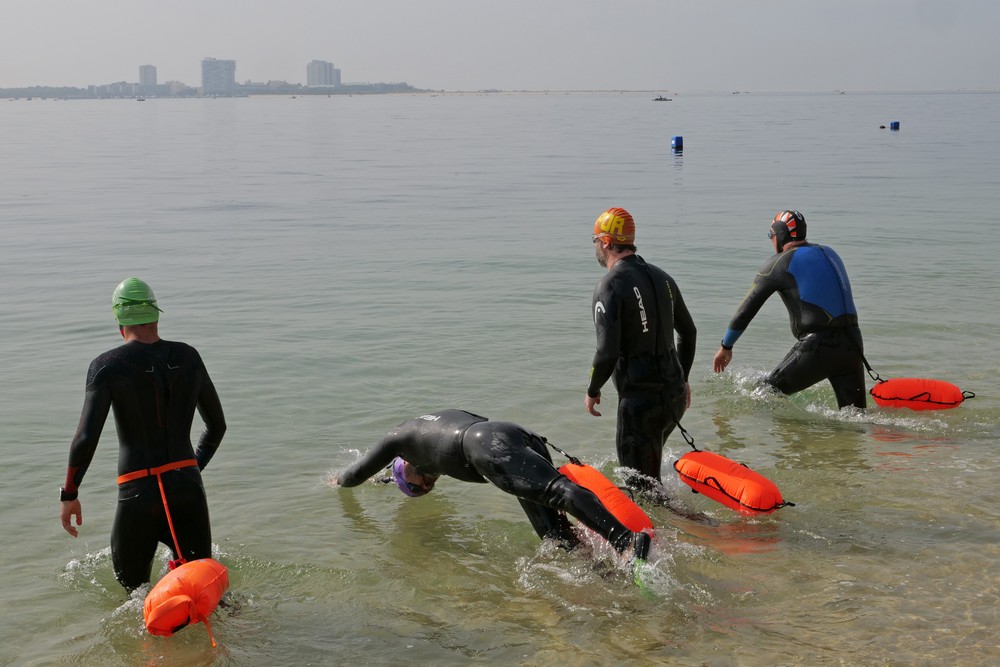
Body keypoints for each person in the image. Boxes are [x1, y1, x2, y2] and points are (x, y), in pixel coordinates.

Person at [59, 278, 227, 591]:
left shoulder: (107, 366)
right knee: (205, 589)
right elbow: (217, 427)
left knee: (135, 595)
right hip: (188, 490)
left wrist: (69, 494)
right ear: (156, 316)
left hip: (139, 496)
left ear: (119, 322)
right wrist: (190, 468)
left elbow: (86, 439)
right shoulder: (188, 357)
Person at [332, 409, 651, 560]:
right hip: (509, 434)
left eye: (415, 487)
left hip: (485, 446)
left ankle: (625, 541)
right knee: (554, 535)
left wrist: (336, 482)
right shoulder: (423, 436)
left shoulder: (397, 441)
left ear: (405, 468)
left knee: (556, 492)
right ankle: (607, 573)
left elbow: (354, 474)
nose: (425, 488)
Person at [585, 207, 697, 486]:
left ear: (607, 243)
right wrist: (683, 379)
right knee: (650, 475)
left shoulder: (609, 285)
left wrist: (593, 389)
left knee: (641, 489)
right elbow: (689, 333)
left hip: (640, 404)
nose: (596, 247)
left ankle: (693, 527)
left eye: (595, 241)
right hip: (673, 396)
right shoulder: (663, 278)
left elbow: (606, 352)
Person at [712, 210, 866, 409]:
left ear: (780, 235)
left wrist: (726, 347)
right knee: (856, 418)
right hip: (853, 345)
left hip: (818, 347)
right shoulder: (829, 253)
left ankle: (792, 439)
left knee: (763, 396)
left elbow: (745, 311)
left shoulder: (780, 263)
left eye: (771, 236)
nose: (771, 241)